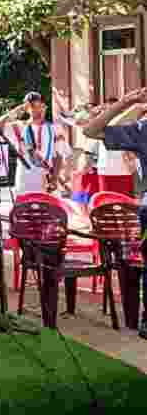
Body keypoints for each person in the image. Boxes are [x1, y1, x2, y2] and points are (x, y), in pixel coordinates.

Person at [81, 87, 147, 339]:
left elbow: (91, 131)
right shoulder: (142, 129)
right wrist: (126, 102)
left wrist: (126, 103)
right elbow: (90, 131)